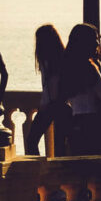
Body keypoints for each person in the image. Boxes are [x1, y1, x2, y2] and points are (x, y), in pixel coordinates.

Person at [59, 23, 101, 155]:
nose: (97, 44)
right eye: (94, 40)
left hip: (75, 121)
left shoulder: (68, 66)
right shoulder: (90, 68)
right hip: (92, 123)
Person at [25, 24, 71, 156]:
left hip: (52, 106)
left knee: (33, 140)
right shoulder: (58, 60)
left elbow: (52, 88)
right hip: (56, 105)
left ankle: (38, 170)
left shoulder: (51, 62)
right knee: (59, 144)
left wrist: (46, 103)